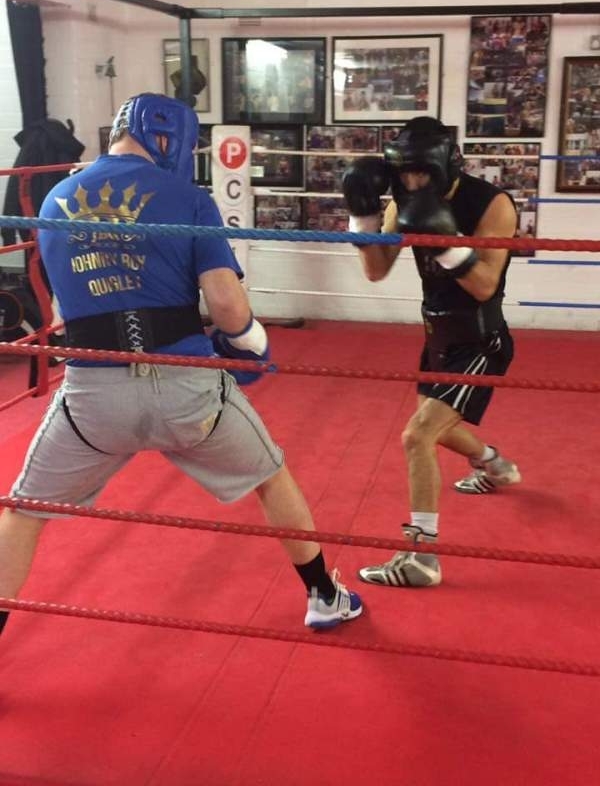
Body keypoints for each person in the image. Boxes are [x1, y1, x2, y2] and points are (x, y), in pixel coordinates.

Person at [0, 93, 362, 635]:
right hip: (187, 392)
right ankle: (324, 596)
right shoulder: (187, 198)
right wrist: (249, 344)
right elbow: (227, 307)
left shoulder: (54, 199)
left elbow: (60, 304)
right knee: (271, 475)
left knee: (24, 510)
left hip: (94, 396)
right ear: (170, 139)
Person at [342, 116, 520, 588]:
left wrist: (445, 240)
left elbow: (484, 285)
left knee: (416, 436)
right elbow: (376, 269)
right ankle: (495, 465)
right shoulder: (403, 200)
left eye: (421, 172)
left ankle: (423, 557)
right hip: (437, 336)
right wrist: (363, 215)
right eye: (404, 173)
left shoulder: (492, 204)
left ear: (445, 165)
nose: (412, 182)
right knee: (438, 431)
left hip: (480, 341)